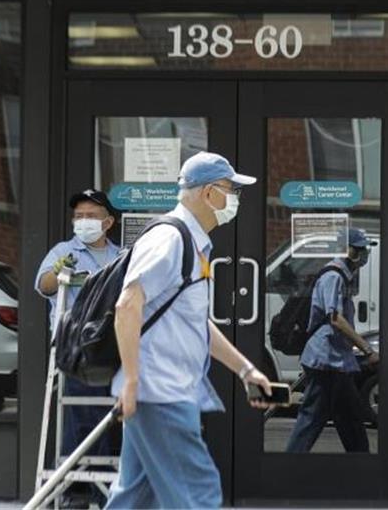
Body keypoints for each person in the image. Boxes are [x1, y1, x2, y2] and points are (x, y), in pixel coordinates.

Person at [106, 152, 273, 509]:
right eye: (231, 189)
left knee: (135, 496)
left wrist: (246, 369)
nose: (235, 199)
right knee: (198, 492)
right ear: (209, 193)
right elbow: (127, 306)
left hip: (160, 391)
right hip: (160, 392)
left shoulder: (192, 243)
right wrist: (133, 381)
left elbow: (195, 323)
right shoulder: (171, 240)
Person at [35, 189, 120, 503]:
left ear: (108, 222)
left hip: (110, 347)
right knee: (81, 416)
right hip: (77, 347)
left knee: (107, 418)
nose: (83, 221)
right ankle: (78, 491)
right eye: (79, 216)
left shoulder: (119, 255)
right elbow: (43, 286)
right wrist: (58, 271)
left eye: (91, 216)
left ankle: (103, 489)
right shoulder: (64, 250)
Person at [285, 227, 380, 454]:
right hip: (325, 360)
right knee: (311, 418)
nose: (365, 254)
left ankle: (361, 462)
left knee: (349, 416)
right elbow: (336, 319)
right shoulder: (333, 276)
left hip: (336, 360)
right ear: (349, 250)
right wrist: (367, 349)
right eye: (361, 250)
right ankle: (290, 464)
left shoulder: (345, 276)